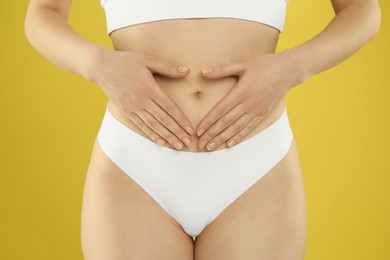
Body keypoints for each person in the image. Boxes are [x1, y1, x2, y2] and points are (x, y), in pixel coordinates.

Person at [24, 0, 381, 259]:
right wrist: (97, 64)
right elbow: (43, 13)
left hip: (256, 166)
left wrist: (293, 67)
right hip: (134, 165)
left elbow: (363, 9)